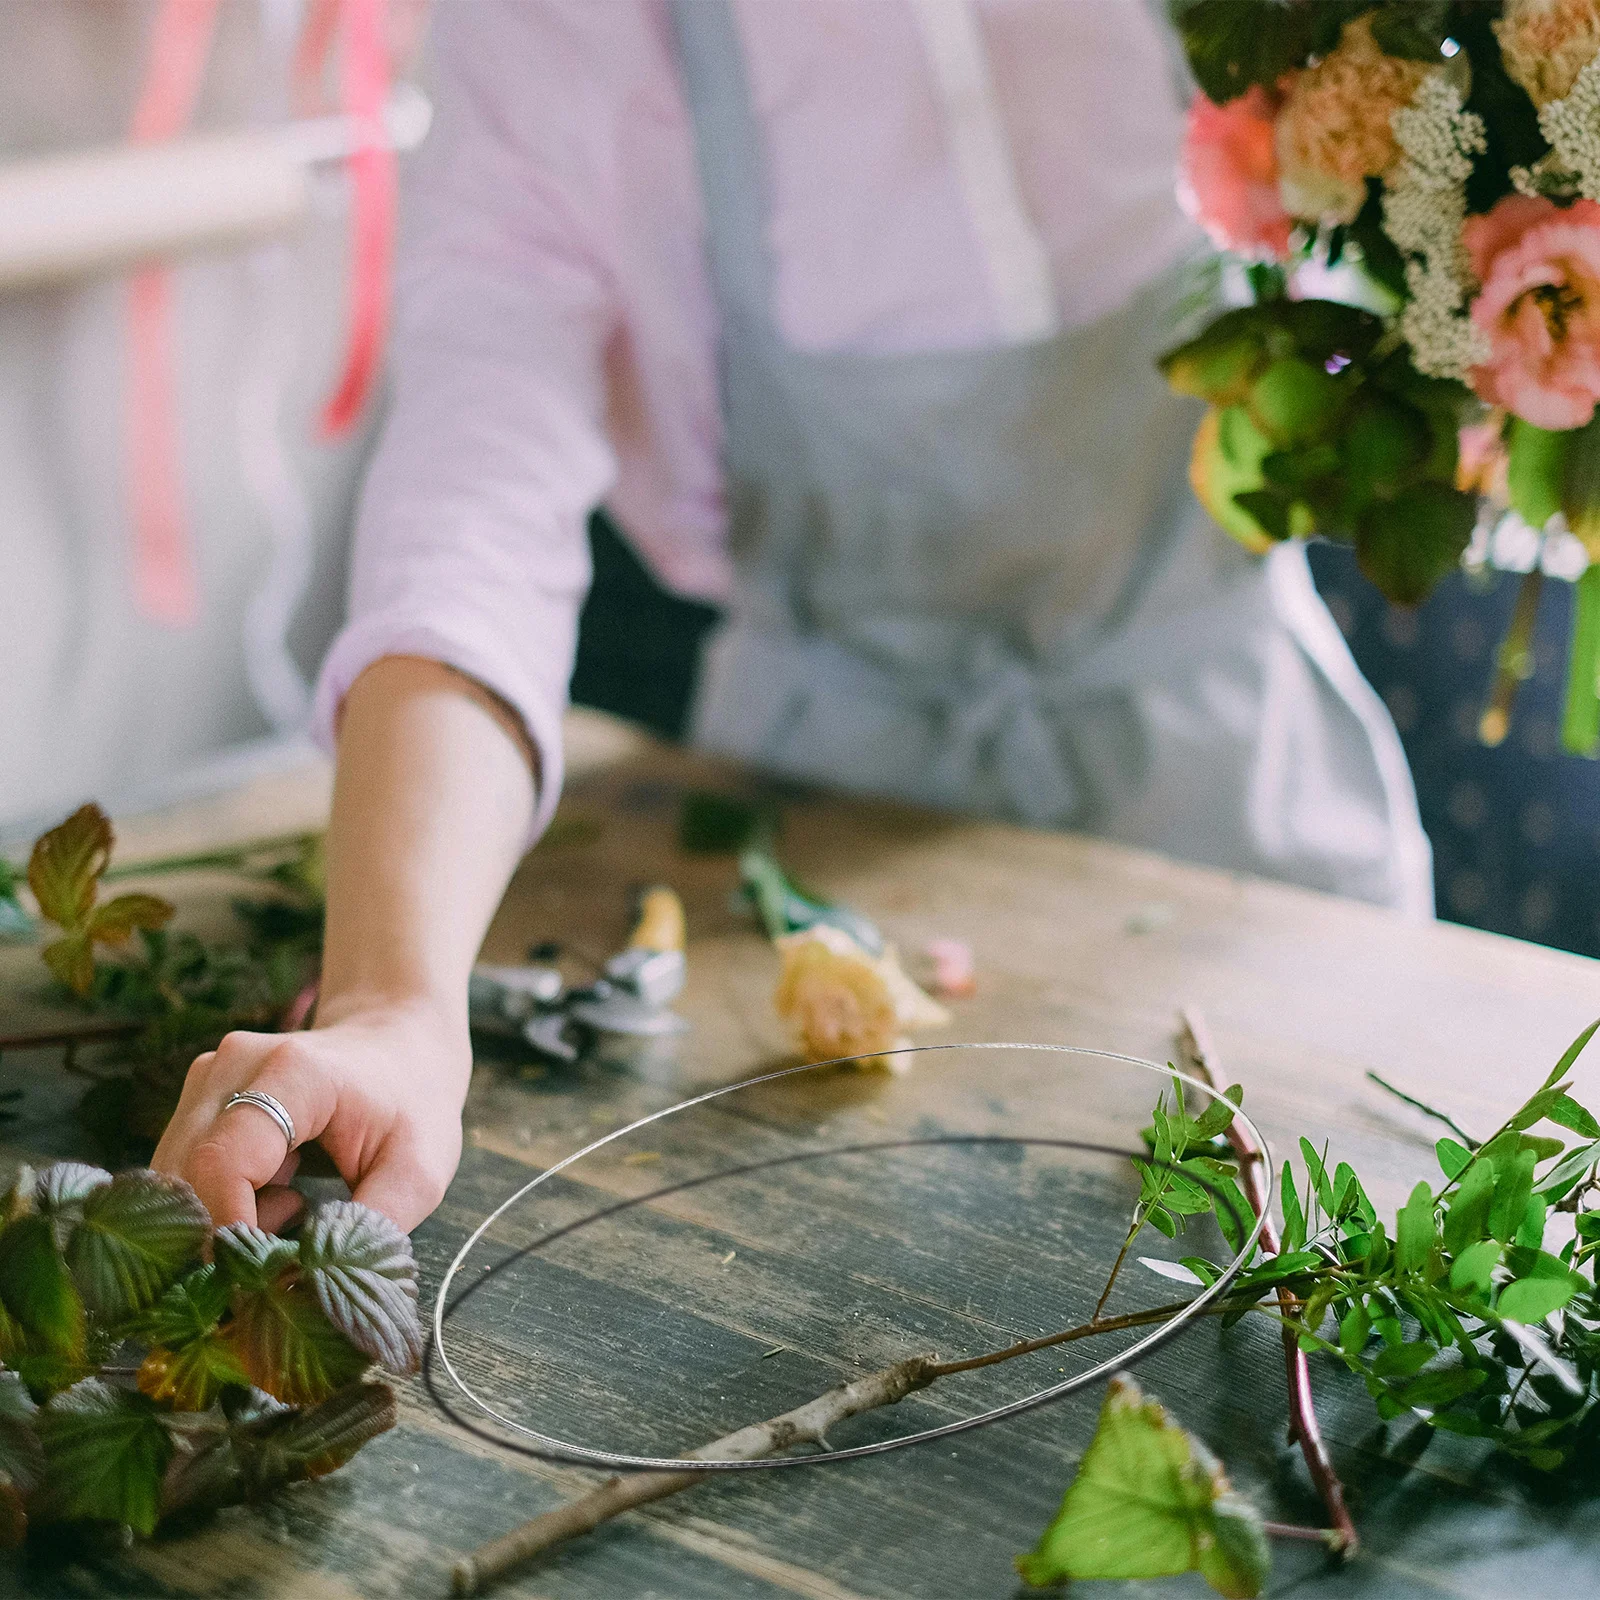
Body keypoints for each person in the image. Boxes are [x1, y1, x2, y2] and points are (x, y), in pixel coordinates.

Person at [153, 0, 1432, 1233]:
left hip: (1255, 823)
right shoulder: (549, 26)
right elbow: (474, 505)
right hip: (809, 871)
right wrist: (392, 1003)